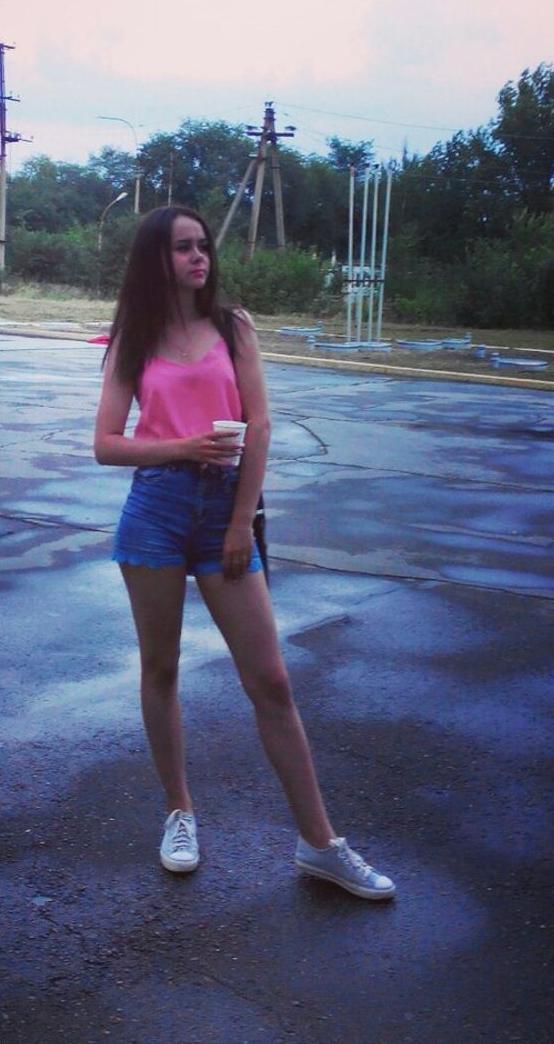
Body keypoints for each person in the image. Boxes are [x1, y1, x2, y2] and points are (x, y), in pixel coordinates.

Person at [93, 206, 395, 900]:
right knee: (161, 668)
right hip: (156, 510)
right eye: (182, 247)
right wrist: (182, 446)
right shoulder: (134, 338)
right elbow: (106, 442)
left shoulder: (233, 327)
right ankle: (179, 812)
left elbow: (259, 426)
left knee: (272, 681)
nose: (199, 256)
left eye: (203, 245)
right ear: (156, 259)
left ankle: (320, 844)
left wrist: (240, 523)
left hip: (225, 510)